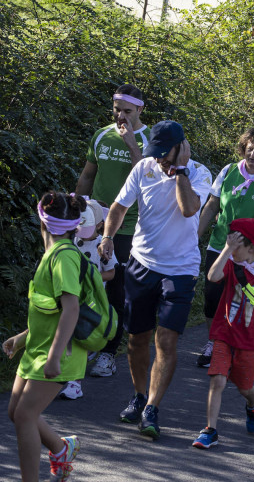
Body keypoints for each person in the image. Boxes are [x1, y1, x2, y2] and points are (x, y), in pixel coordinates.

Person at [100, 121, 212, 438]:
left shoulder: (200, 174)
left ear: (181, 148)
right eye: (157, 154)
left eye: (166, 154)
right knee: (136, 340)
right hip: (141, 264)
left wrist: (180, 172)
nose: (160, 160)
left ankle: (151, 407)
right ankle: (138, 395)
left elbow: (189, 209)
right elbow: (119, 207)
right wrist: (108, 236)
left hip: (180, 269)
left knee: (165, 341)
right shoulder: (144, 168)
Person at [4, 192, 89, 482]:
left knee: (25, 417)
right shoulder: (53, 254)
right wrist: (22, 338)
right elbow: (49, 312)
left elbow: (71, 309)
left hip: (57, 353)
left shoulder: (64, 257)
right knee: (16, 412)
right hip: (38, 347)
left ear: (42, 223)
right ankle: (60, 447)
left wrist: (54, 356)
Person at [192, 219, 254, 450]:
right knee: (218, 380)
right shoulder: (230, 263)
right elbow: (212, 277)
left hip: (248, 341)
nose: (233, 251)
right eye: (231, 246)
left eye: (237, 246)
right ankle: (210, 430)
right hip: (224, 334)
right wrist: (226, 249)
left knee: (245, 388)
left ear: (252, 247)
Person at [74, 84, 148, 378]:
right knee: (83, 286)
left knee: (117, 291)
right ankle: (86, 341)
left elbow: (148, 179)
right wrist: (75, 215)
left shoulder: (149, 137)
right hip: (93, 226)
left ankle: (108, 353)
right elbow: (87, 175)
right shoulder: (102, 134)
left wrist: (131, 143)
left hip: (129, 227)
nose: (121, 115)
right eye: (117, 109)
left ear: (140, 110)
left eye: (127, 111)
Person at [195, 127, 254, 368]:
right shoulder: (228, 171)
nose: (253, 154)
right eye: (250, 148)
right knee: (213, 296)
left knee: (241, 299)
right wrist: (195, 238)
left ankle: (234, 344)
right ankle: (213, 342)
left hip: (250, 253)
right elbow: (212, 206)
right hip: (219, 245)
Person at [60, 199, 119, 400]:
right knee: (68, 337)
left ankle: (75, 383)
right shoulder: (73, 242)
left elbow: (111, 273)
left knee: (81, 340)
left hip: (92, 301)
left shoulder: (102, 245)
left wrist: (91, 277)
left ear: (100, 224)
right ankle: (67, 376)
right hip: (71, 297)